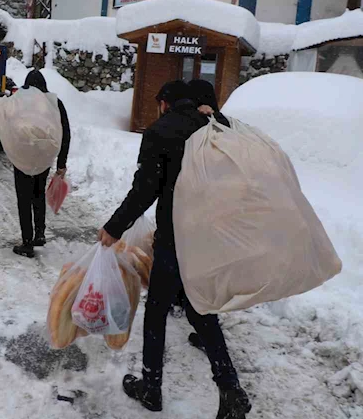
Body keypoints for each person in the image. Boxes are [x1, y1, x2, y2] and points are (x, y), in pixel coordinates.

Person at [97, 79, 251, 418]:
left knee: (157, 311)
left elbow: (145, 190)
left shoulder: (161, 132)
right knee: (200, 311)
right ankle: (230, 389)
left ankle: (152, 388)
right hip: (211, 237)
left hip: (176, 239)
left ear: (166, 103)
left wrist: (113, 228)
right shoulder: (215, 127)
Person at [12, 70, 70, 258]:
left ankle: (27, 242)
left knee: (24, 198)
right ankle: (40, 233)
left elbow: (9, 127)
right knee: (37, 194)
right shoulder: (54, 104)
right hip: (43, 158)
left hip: (23, 157)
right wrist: (61, 162)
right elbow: (65, 134)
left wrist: (12, 150)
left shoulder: (20, 104)